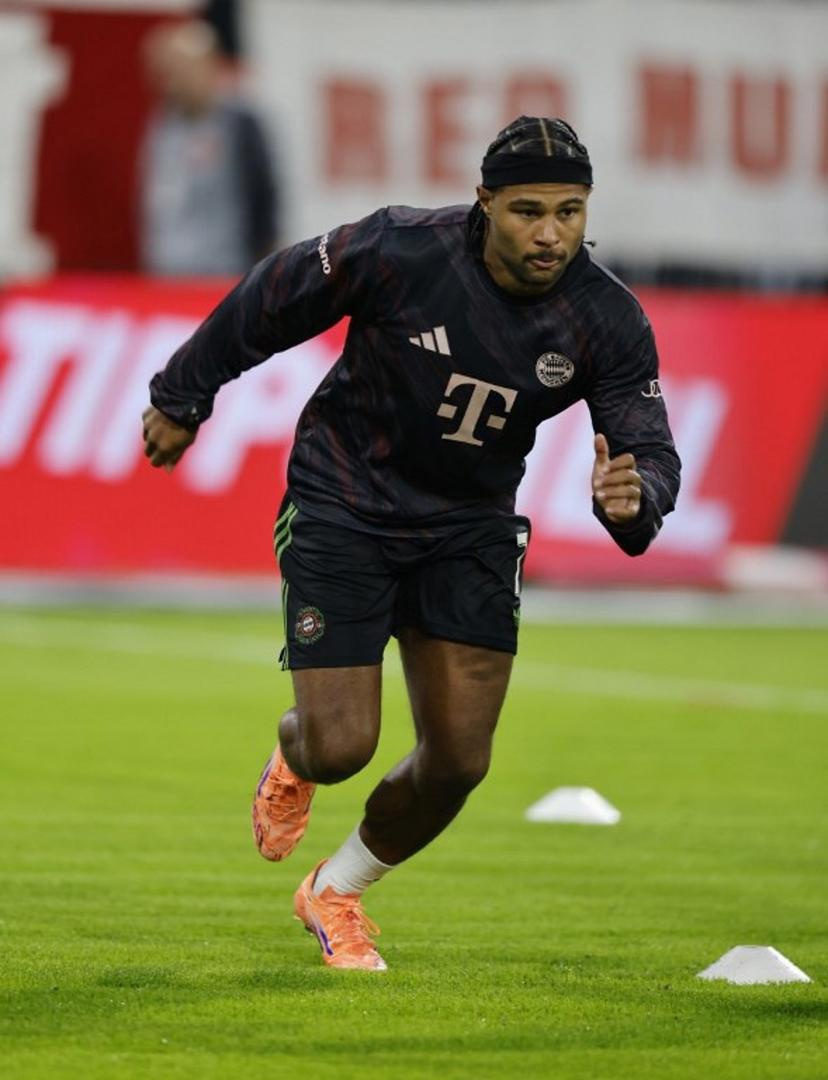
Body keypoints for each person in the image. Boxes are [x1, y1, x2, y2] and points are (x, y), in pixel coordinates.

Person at [142, 116, 681, 972]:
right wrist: (182, 395)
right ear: (484, 203)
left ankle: (335, 890)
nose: (551, 235)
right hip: (345, 499)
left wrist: (635, 498)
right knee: (341, 747)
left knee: (461, 759)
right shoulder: (402, 248)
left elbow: (648, 452)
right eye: (528, 211)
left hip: (468, 525)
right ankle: (295, 755)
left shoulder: (606, 318)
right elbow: (272, 296)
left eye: (571, 213)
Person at [139, 19, 278, 276]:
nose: (173, 82)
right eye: (168, 72)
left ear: (209, 67)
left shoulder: (239, 124)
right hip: (167, 272)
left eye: (183, 70)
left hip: (223, 272)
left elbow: (264, 199)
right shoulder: (163, 127)